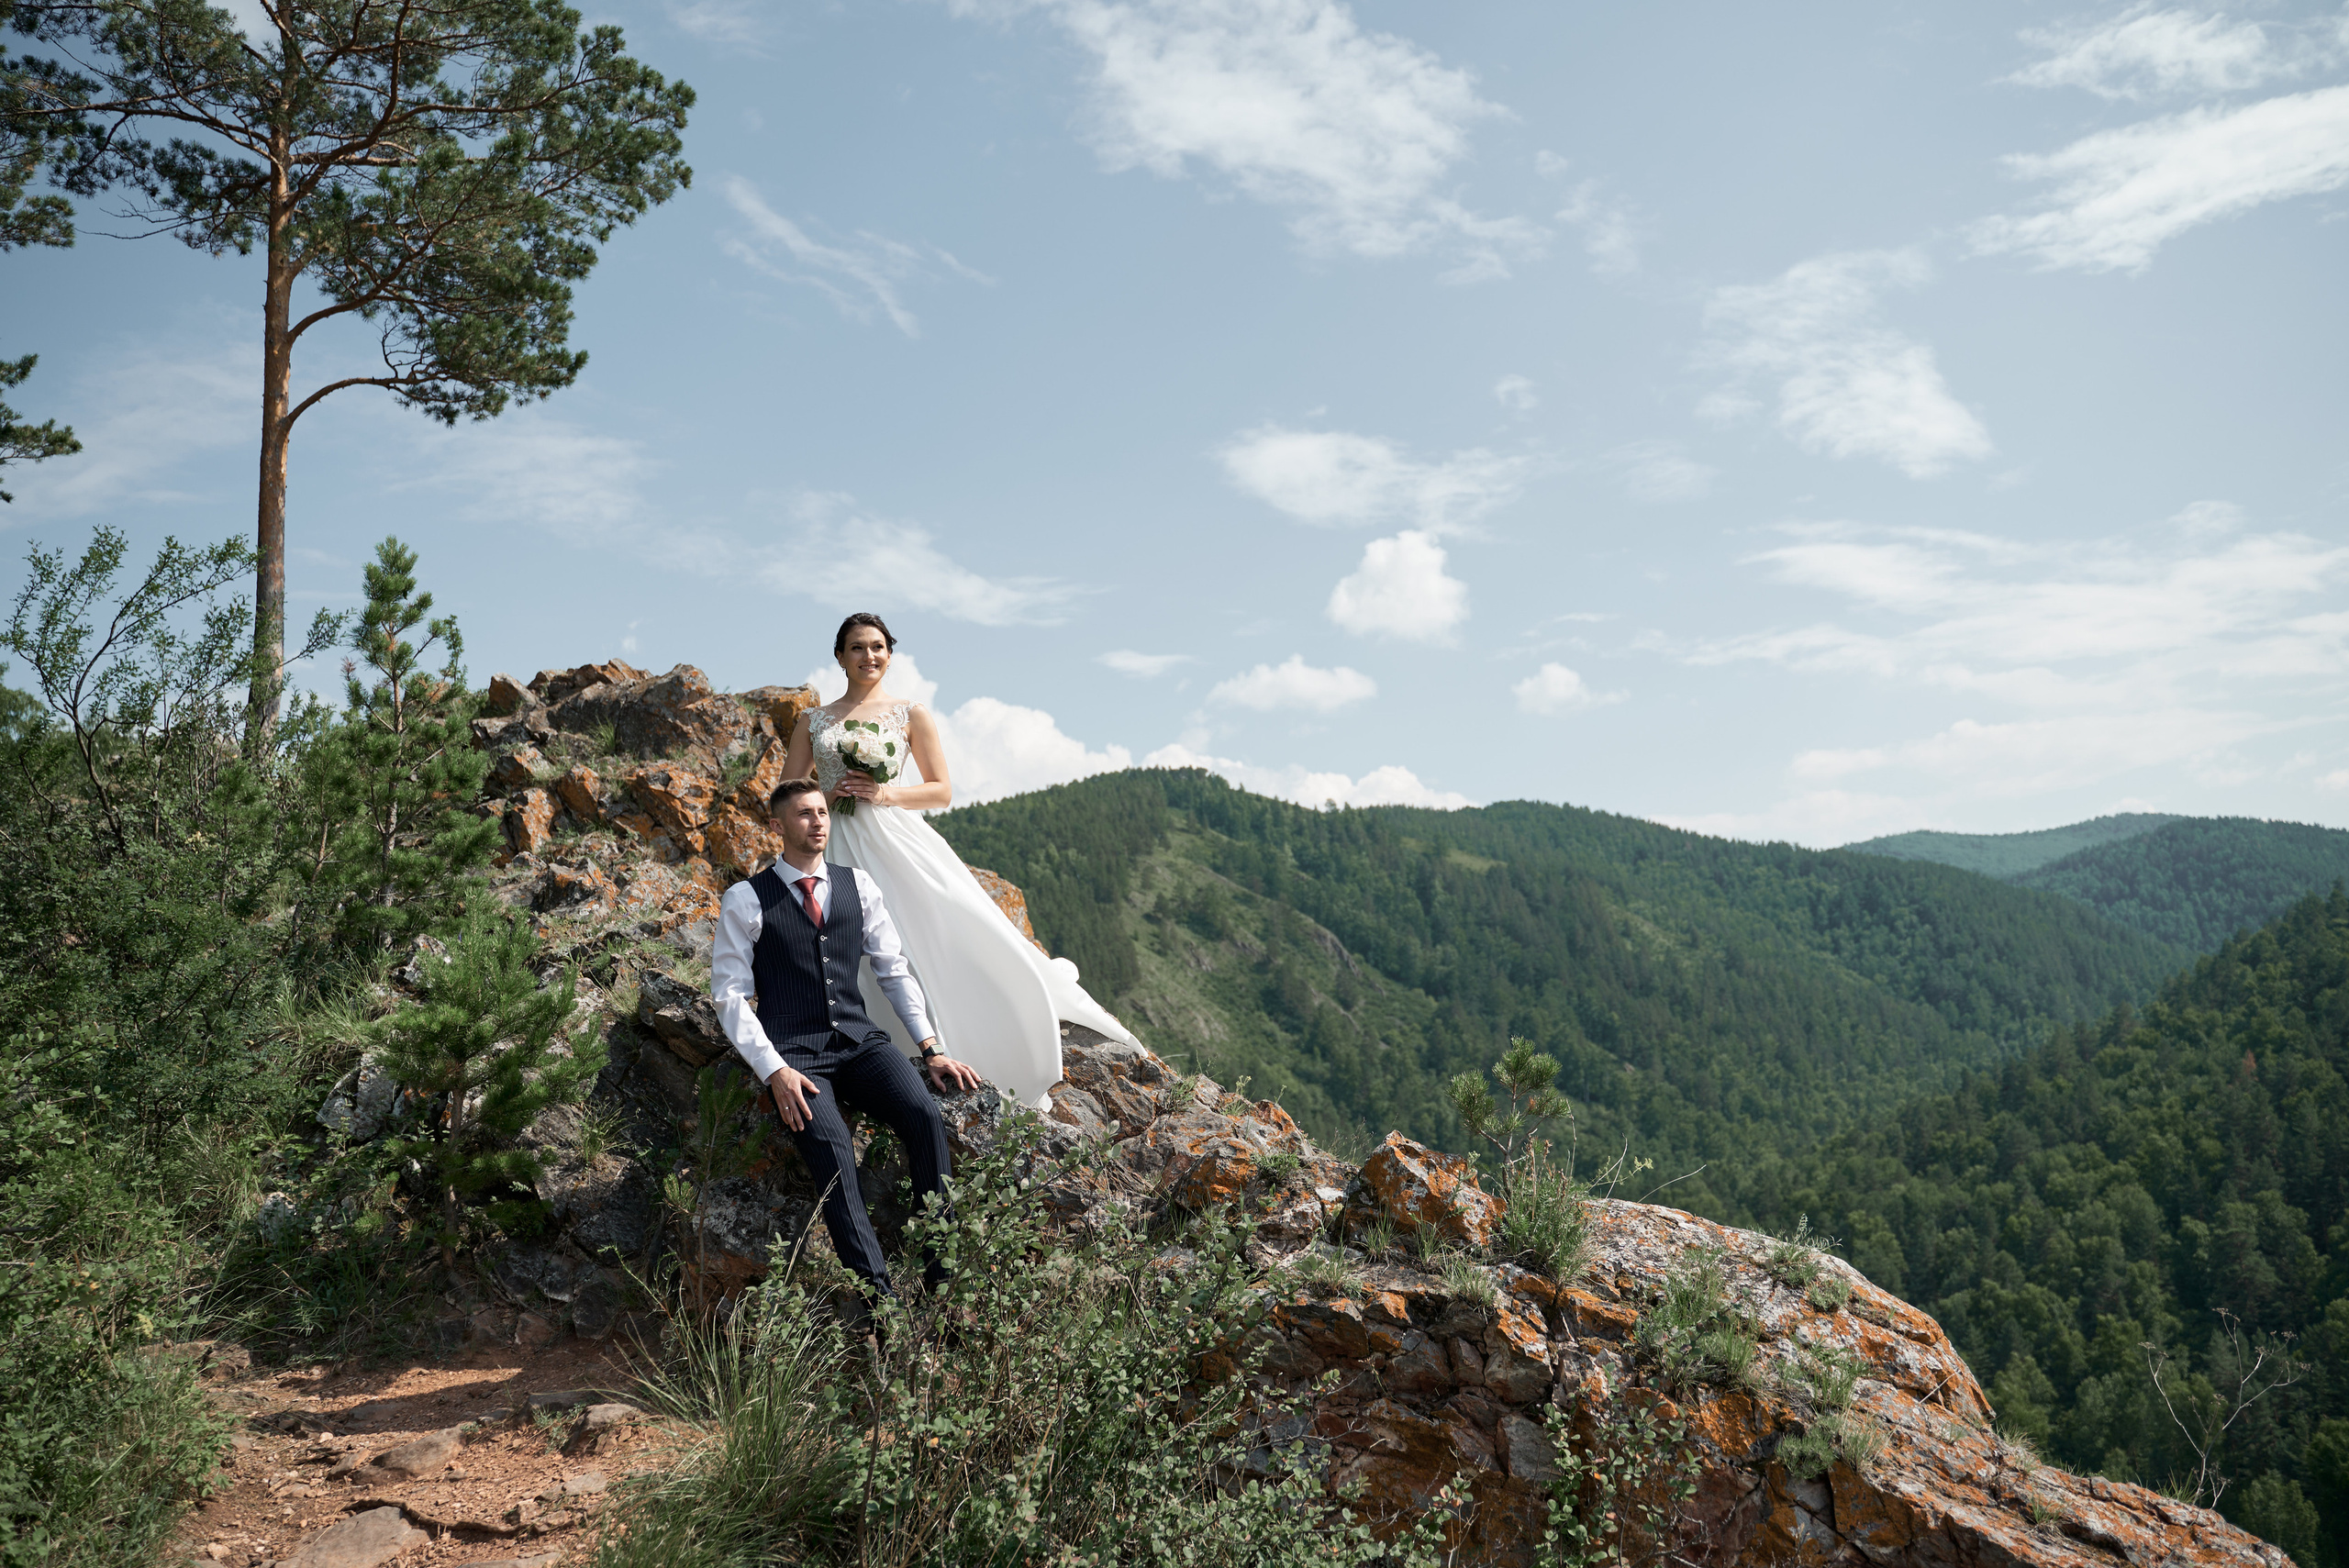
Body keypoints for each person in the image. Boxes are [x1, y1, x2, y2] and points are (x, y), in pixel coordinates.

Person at [779, 611, 1141, 1110]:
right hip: (836, 839)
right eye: (858, 647)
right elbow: (785, 790)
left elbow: (941, 791)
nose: (869, 656)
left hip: (895, 836)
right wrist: (825, 791)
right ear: (840, 656)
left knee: (940, 925)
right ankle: (879, 1053)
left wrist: (884, 792)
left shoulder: (910, 713)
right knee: (856, 945)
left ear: (890, 654)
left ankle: (986, 1023)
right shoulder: (813, 721)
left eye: (879, 647)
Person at [709, 776, 984, 1316]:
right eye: (805, 814)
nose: (818, 822)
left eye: (822, 812)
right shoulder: (745, 899)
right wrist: (773, 1071)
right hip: (796, 1055)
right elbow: (730, 997)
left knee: (924, 1115)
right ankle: (883, 1307)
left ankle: (942, 1286)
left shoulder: (857, 885)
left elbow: (893, 970)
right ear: (777, 826)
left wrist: (931, 1048)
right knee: (835, 1157)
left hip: (859, 1042)